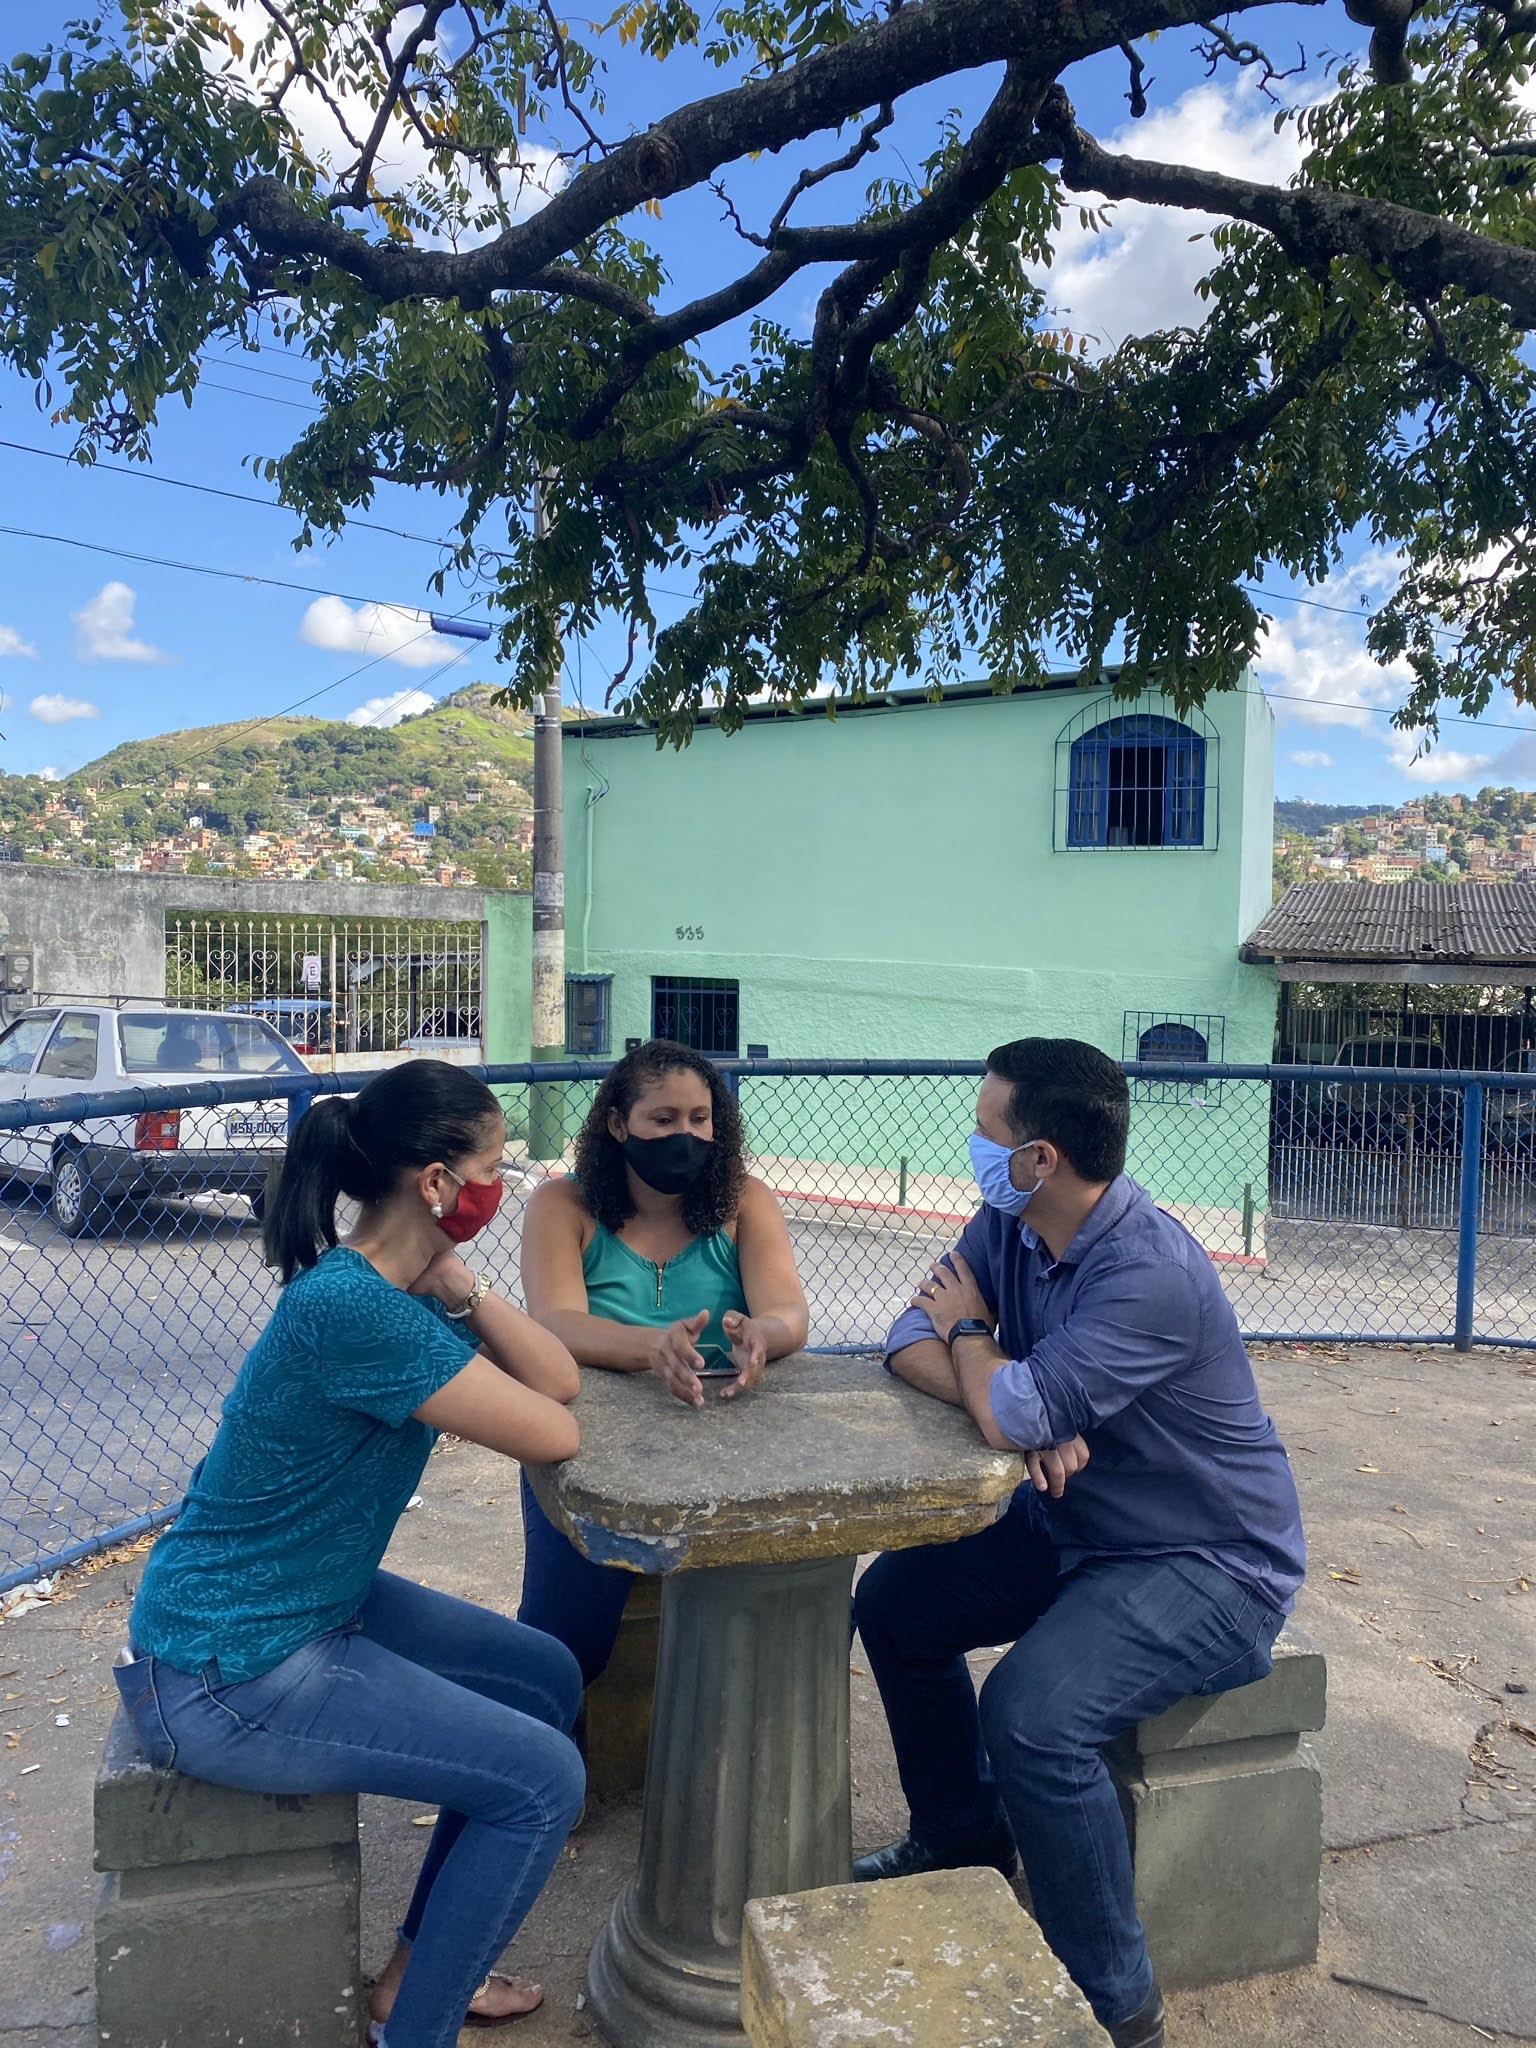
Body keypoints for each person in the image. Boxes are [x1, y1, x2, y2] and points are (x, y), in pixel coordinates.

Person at [113, 1061, 586, 2048]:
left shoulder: (394, 1290)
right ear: (436, 1181)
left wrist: (457, 1281)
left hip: (308, 1602)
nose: (501, 1186)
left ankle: (413, 1975)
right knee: (543, 1781)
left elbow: (557, 1378)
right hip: (223, 1666)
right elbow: (555, 1432)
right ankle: (416, 2030)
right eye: (493, 1167)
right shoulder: (354, 1309)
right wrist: (451, 1285)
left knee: (544, 1678)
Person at [852, 1038, 1306, 2048]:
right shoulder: (1008, 1222)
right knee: (895, 1604)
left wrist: (986, 1355)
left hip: (1209, 1560)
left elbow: (974, 1363)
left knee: (1032, 1717)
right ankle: (961, 1833)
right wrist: (1012, 1400)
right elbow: (904, 1336)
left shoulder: (1148, 1271)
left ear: (1040, 1157)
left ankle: (1115, 2005)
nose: (974, 1144)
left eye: (987, 1129)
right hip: (1078, 1522)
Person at [518, 1038, 809, 1683]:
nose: (686, 1135)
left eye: (700, 1118)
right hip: (588, 1445)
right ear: (618, 1124)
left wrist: (761, 1334)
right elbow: (554, 1322)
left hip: (726, 1442)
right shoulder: (561, 1205)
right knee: (567, 1641)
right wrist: (650, 1347)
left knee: (782, 1621)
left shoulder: (745, 1201)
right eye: (664, 1118)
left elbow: (789, 1312)